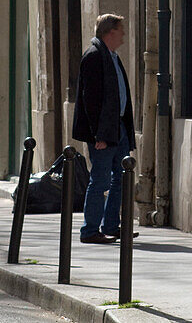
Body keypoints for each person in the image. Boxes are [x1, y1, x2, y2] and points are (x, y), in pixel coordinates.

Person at [72, 13, 136, 244]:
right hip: (103, 131)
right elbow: (90, 101)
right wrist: (98, 134)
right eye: (121, 30)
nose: (124, 35)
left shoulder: (112, 56)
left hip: (117, 126)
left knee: (121, 177)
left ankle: (111, 226)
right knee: (100, 180)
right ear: (110, 32)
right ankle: (89, 231)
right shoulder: (93, 57)